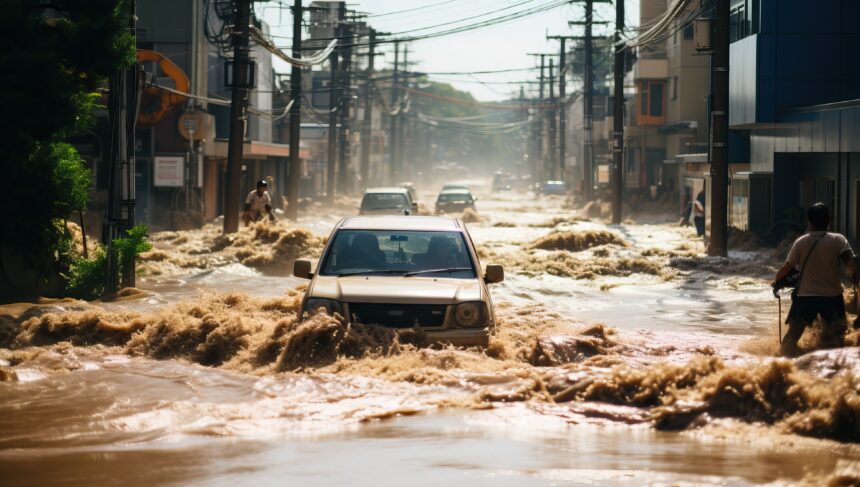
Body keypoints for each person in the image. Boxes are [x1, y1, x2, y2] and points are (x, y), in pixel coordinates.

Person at [772, 203, 858, 356]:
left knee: (791, 338)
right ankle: (832, 370)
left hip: (805, 298)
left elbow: (786, 268)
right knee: (838, 340)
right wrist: (855, 277)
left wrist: (776, 282)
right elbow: (851, 265)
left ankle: (782, 365)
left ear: (809, 222)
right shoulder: (838, 240)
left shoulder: (801, 242)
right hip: (832, 298)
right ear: (829, 221)